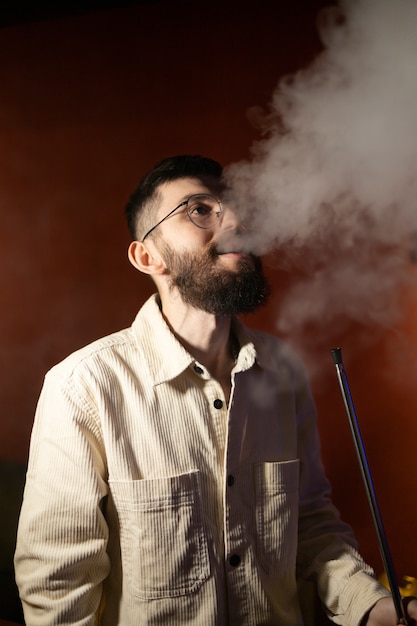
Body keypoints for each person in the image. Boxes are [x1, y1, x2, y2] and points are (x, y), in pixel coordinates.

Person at [14, 155, 417, 626]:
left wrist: (383, 609)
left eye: (238, 206)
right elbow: (59, 585)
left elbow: (311, 529)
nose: (237, 221)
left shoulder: (283, 372)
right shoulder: (83, 385)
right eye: (199, 209)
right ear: (148, 256)